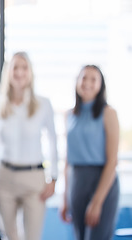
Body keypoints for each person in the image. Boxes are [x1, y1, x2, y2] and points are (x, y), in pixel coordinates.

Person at [0, 51, 58, 240]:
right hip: (4, 178)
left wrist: (53, 178)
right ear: (8, 72)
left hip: (33, 179)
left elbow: (53, 142)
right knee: (9, 235)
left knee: (32, 237)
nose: (19, 72)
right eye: (15, 67)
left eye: (24, 67)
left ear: (30, 72)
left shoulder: (43, 104)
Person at [60, 65, 120, 240]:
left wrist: (97, 201)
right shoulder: (70, 115)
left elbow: (112, 161)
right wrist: (65, 197)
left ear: (101, 85)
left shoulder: (108, 113)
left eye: (93, 79)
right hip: (77, 183)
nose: (87, 83)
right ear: (77, 82)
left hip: (102, 182)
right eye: (84, 78)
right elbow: (67, 160)